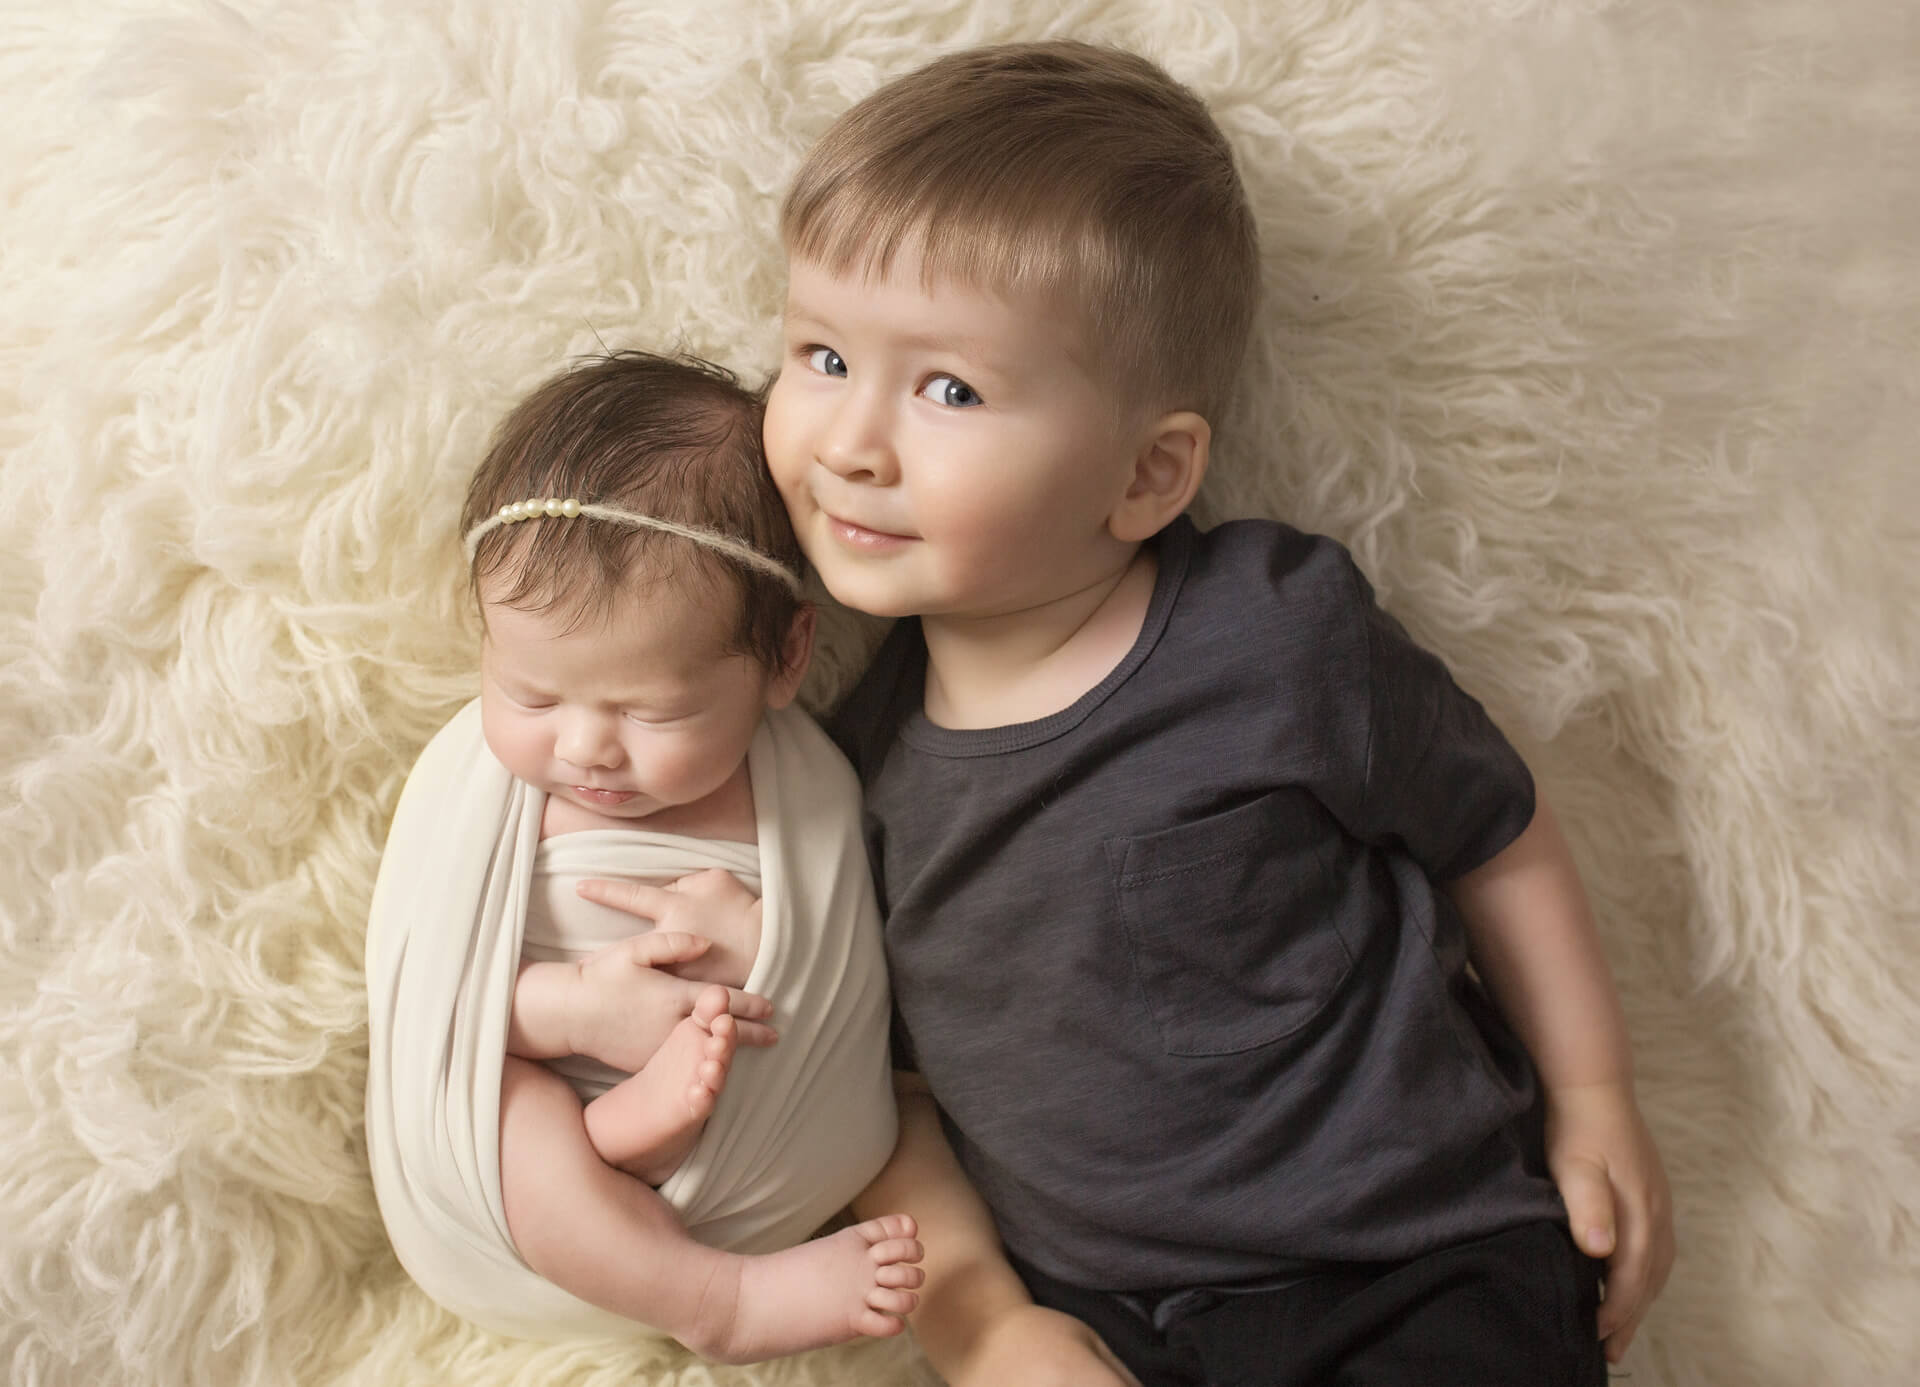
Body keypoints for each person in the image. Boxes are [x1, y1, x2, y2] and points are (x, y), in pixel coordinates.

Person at [753, 39, 1674, 1387]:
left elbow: (1495, 830)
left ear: (1148, 473)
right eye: (822, 355)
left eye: (950, 389)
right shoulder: (844, 774)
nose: (848, 443)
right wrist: (982, 1324)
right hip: (1110, 1315)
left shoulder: (1275, 634)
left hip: (1413, 1257)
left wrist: (1595, 1096)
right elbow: (882, 1096)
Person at [363, 351, 922, 1365]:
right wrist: (568, 1010)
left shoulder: (810, 794)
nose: (586, 748)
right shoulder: (472, 793)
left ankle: (630, 1140)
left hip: (739, 1150)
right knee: (514, 1111)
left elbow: (855, 972)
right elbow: (428, 1006)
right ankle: (714, 1299)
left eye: (651, 712)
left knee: (697, 1063)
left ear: (786, 658)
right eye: (532, 695)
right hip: (511, 1174)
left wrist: (760, 946)